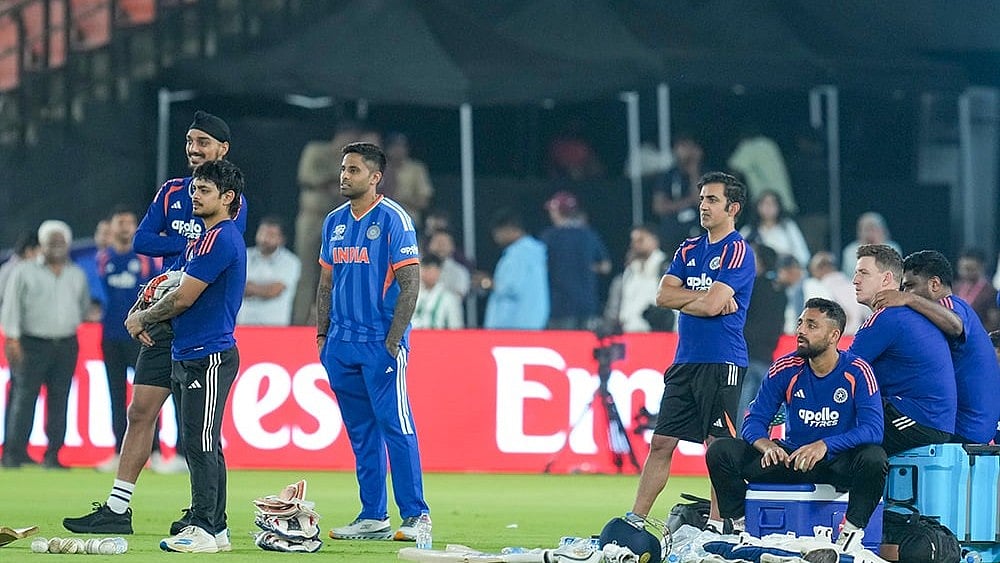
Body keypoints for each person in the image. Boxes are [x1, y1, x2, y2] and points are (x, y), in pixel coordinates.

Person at [63, 110, 246, 545]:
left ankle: (209, 519)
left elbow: (211, 255)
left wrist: (148, 310)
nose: (193, 149)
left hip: (192, 317)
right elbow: (142, 241)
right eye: (190, 141)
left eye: (203, 142)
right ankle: (118, 508)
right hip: (165, 315)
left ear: (222, 150)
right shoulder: (172, 192)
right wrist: (184, 249)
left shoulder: (230, 202)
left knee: (199, 434)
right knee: (140, 411)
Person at [122, 159, 246, 553]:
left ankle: (205, 527)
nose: (195, 196)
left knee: (200, 442)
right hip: (189, 351)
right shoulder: (201, 240)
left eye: (205, 190)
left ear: (227, 198)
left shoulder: (220, 238)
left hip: (208, 354)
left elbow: (183, 297)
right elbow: (170, 285)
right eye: (194, 189)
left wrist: (143, 317)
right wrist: (145, 306)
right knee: (200, 440)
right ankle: (216, 528)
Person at [625, 172, 755, 526]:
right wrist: (705, 298)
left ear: (733, 208)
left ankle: (716, 525)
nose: (703, 206)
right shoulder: (688, 248)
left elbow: (709, 305)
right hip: (685, 360)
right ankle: (636, 520)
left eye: (712, 200)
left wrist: (696, 300)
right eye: (701, 199)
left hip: (722, 360)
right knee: (661, 442)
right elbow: (662, 296)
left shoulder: (737, 251)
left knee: (717, 447)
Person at [316, 142, 430, 542]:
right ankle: (373, 516)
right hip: (340, 345)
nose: (344, 176)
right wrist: (322, 336)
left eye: (354, 170)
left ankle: (416, 515)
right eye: (343, 169)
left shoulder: (395, 219)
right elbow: (326, 283)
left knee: (396, 426)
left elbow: (410, 284)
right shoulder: (334, 221)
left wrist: (393, 341)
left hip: (379, 343)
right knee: (362, 433)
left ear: (375, 177)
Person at [707, 298, 886, 553]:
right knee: (721, 451)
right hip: (790, 459)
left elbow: (873, 429)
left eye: (811, 325)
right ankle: (742, 527)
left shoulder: (857, 370)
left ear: (834, 336)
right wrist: (767, 446)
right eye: (800, 323)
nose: (800, 330)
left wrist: (824, 445)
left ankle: (850, 533)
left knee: (874, 458)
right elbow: (754, 420)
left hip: (834, 462)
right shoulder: (785, 367)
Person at [870, 250, 1000, 444]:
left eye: (910, 286)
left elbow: (956, 326)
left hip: (963, 427)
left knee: (862, 415)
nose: (904, 293)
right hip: (971, 426)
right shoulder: (935, 317)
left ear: (934, 284)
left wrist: (910, 300)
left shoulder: (950, 304)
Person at [847, 244, 955, 455]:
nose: (855, 280)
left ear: (886, 279)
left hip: (919, 420)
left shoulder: (888, 316)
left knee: (831, 420)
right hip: (932, 420)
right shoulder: (905, 313)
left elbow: (842, 370)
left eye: (863, 273)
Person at [1, 220, 90, 469]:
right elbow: (11, 307)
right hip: (32, 342)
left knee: (60, 399)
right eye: (51, 242)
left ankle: (54, 455)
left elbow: (82, 307)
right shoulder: (24, 271)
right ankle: (14, 453)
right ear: (42, 244)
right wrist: (12, 339)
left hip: (66, 343)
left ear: (68, 244)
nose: (56, 246)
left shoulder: (76, 274)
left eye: (61, 242)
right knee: (24, 398)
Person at [291, 121, 381, 326]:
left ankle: (332, 320)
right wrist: (332, 181)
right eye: (351, 137)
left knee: (337, 271)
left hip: (339, 220)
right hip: (312, 216)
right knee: (305, 271)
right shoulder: (316, 150)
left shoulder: (352, 159)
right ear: (342, 134)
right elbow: (306, 176)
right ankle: (299, 320)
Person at [95, 207, 157, 472]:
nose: (125, 227)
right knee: (116, 394)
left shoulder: (145, 259)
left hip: (140, 336)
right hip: (111, 336)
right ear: (111, 227)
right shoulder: (102, 259)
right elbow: (97, 298)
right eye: (120, 222)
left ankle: (154, 452)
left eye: (130, 222)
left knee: (148, 395)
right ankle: (118, 451)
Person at [540, 191, 611, 330]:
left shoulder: (549, 237)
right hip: (587, 305)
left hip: (560, 306)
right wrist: (585, 268)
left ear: (557, 212)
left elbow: (541, 267)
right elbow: (605, 266)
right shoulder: (589, 235)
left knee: (563, 342)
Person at [738, 244, 786, 423]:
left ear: (761, 262)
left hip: (746, 355)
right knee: (762, 413)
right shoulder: (780, 291)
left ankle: (736, 440)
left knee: (738, 408)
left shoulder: (750, 287)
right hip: (766, 357)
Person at [483, 209, 549, 330]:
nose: (496, 238)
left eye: (497, 233)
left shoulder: (519, 254)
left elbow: (510, 287)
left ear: (509, 228)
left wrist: (486, 283)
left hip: (514, 325)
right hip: (531, 323)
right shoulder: (533, 252)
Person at [603, 223, 671, 333]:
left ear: (654, 240)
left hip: (657, 334)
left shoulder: (666, 268)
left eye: (641, 240)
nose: (635, 244)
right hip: (629, 332)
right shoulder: (629, 272)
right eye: (633, 241)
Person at [237, 216, 301, 326]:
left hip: (274, 327)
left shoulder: (291, 261)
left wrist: (250, 287)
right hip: (244, 324)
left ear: (282, 239)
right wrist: (263, 288)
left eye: (271, 235)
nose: (265, 239)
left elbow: (274, 291)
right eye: (262, 233)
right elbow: (235, 288)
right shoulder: (243, 255)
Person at [650, 134, 704, 252]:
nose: (686, 152)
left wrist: (693, 171)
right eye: (682, 146)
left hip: (698, 232)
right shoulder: (667, 176)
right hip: (673, 233)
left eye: (689, 147)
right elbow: (658, 207)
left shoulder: (705, 174)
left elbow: (700, 200)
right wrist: (688, 201)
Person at [739, 189, 810, 268]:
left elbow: (803, 254)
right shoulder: (748, 231)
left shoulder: (788, 227)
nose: (768, 208)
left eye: (772, 204)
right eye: (765, 204)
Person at [802, 251, 868, 335]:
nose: (814, 275)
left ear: (822, 268)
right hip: (855, 337)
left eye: (814, 271)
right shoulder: (855, 286)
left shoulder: (818, 288)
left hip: (833, 338)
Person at [381, 132, 434, 229]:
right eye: (394, 146)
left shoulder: (416, 169)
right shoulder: (380, 169)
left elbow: (424, 201)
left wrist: (401, 200)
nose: (397, 150)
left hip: (410, 222)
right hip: (383, 222)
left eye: (401, 146)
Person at [840, 212, 901, 278]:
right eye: (866, 229)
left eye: (873, 229)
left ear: (883, 231)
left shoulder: (893, 249)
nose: (869, 234)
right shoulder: (850, 251)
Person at [953, 248, 1000, 332]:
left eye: (970, 269)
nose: (966, 273)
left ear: (981, 267)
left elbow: (993, 323)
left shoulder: (991, 292)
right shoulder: (954, 288)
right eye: (962, 269)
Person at [412, 254, 463, 329]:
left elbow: (455, 326)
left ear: (439, 272)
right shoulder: (412, 295)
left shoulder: (449, 298)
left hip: (440, 335)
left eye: (433, 271)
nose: (429, 274)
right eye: (426, 270)